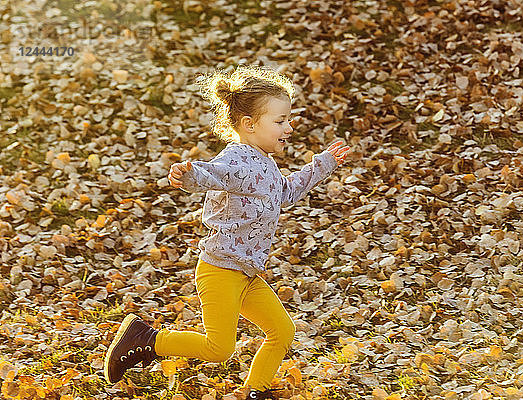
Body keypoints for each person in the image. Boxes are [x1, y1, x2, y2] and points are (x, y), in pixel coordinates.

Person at [103, 65, 350, 399]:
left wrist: (322, 165)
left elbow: (286, 193)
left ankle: (255, 391)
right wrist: (188, 175)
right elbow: (214, 174)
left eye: (288, 119)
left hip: (246, 273)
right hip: (220, 270)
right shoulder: (238, 159)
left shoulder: (264, 162)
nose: (289, 128)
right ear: (249, 124)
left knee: (281, 331)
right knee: (219, 348)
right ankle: (145, 340)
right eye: (280, 121)